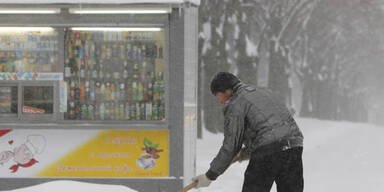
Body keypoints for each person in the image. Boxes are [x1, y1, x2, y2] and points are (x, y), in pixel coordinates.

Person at [192, 72, 304, 192]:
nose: (220, 101)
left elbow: (231, 146)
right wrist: (244, 153)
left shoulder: (235, 103)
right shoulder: (263, 92)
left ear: (228, 91)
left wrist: (210, 175)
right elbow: (269, 128)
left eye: (218, 96)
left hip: (267, 152)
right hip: (293, 146)